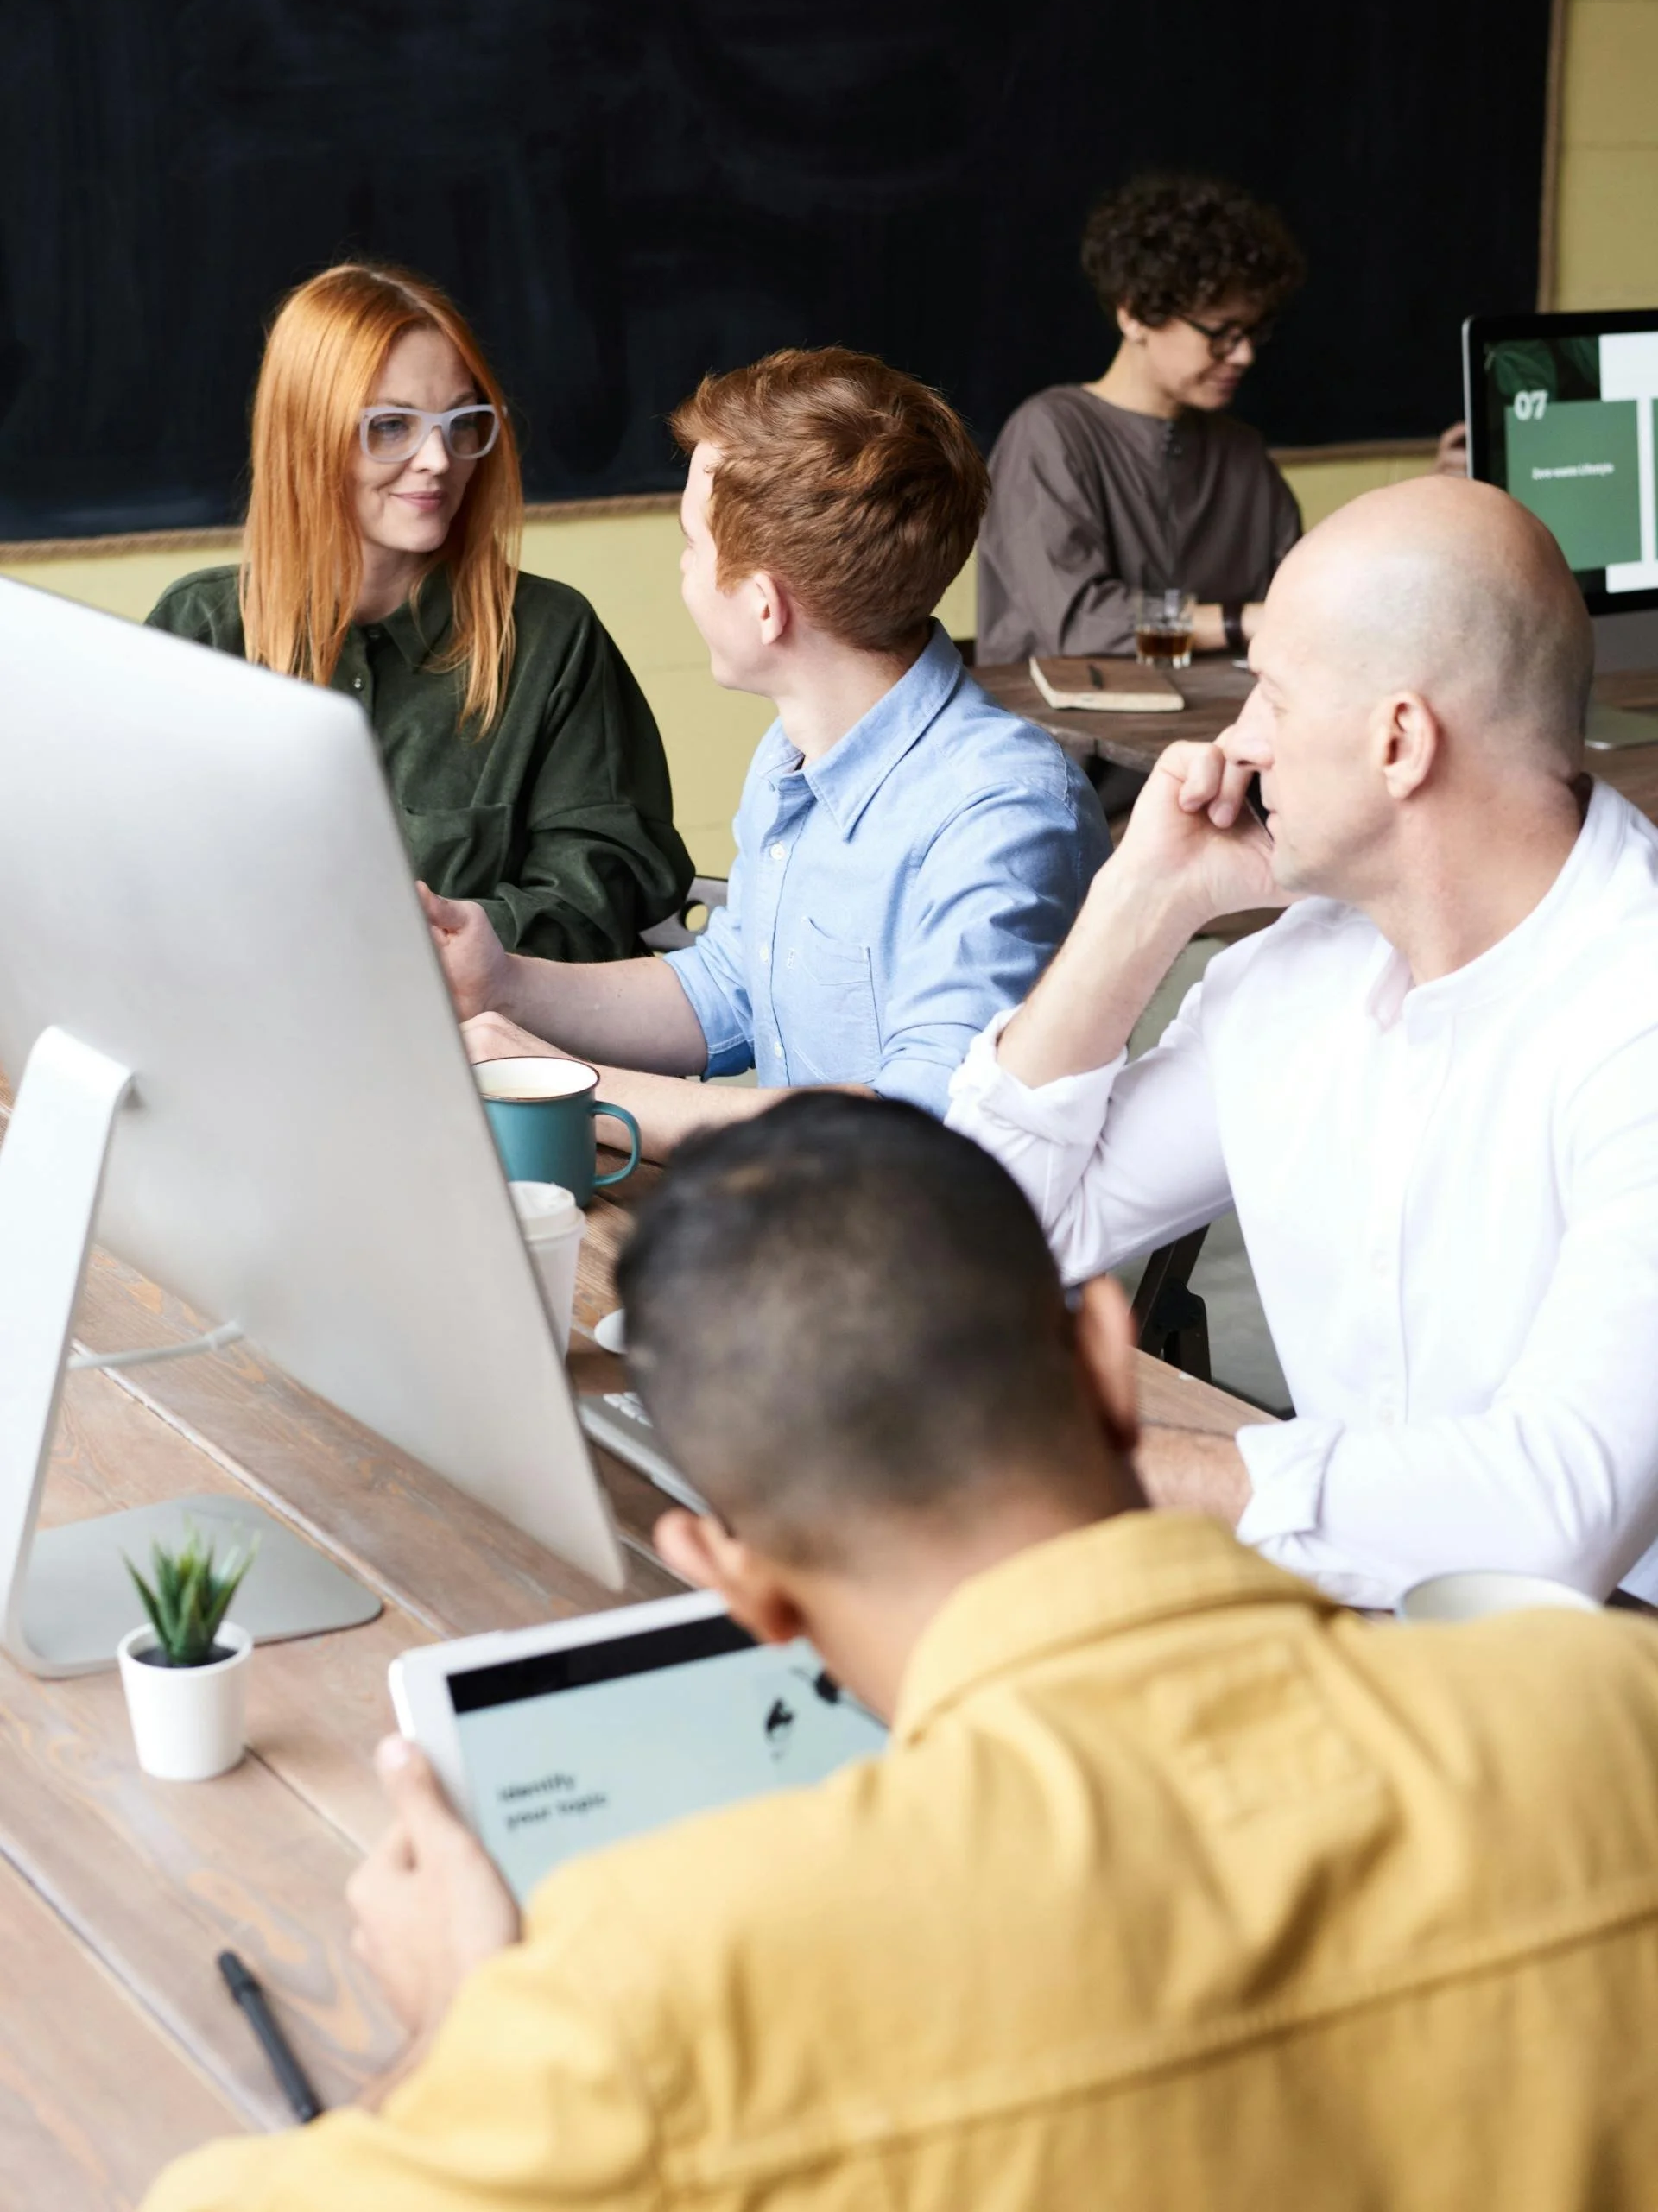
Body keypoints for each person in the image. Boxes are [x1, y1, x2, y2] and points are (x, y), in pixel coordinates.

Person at [146, 1095, 1658, 2212]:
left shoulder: (656, 1997)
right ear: (1115, 1366)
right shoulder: (1611, 1710)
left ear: (729, 1569)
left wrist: (454, 2045)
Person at [951, 472, 1658, 1611]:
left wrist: (1111, 1470)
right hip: (1364, 1642)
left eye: (1271, 694)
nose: (1239, 741)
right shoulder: (1292, 976)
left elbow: (1549, 1517)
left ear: (1398, 742)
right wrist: (1142, 901)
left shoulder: (1636, 1013)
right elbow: (985, 1234)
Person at [425, 347, 1109, 1153]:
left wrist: (579, 1088)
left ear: (761, 609)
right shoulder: (795, 748)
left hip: (929, 1262)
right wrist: (503, 980)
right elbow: (734, 986)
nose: (681, 569)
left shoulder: (1003, 813)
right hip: (798, 1231)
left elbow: (927, 1130)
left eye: (691, 544)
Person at [149, 262, 693, 961]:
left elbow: (603, 897)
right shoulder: (199, 630)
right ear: (305, 437)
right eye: (390, 426)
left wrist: (440, 946)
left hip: (478, 1053)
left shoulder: (552, 639)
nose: (438, 458)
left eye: (461, 422)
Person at [976, 170, 1306, 667]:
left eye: (1252, 333)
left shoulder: (1244, 454)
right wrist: (1238, 621)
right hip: (1066, 738)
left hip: (1219, 734)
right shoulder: (1049, 434)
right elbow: (1083, 624)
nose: (1243, 356)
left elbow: (1305, 601)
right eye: (1220, 332)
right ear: (1134, 314)